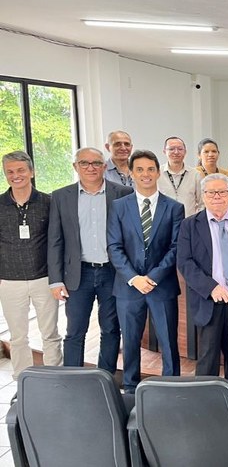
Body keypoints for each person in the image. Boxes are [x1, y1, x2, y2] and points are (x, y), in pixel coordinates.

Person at [47, 147, 133, 372]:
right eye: (84, 163)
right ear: (75, 167)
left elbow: (130, 237)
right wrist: (55, 280)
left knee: (111, 329)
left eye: (96, 163)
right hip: (78, 274)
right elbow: (55, 240)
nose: (91, 168)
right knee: (75, 331)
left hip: (112, 272)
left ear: (105, 167)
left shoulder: (122, 193)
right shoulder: (60, 196)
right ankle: (72, 380)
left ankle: (105, 379)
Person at [107, 150, 184, 393]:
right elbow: (114, 246)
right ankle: (130, 388)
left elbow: (175, 247)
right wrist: (134, 278)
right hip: (128, 287)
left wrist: (152, 277)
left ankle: (170, 387)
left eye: (150, 169)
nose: (146, 174)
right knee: (130, 341)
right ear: (131, 173)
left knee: (168, 341)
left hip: (162, 285)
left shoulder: (174, 208)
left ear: (158, 172)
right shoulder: (119, 206)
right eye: (139, 169)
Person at [177, 173, 228, 392]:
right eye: (211, 192)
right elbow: (185, 262)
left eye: (222, 192)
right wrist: (211, 288)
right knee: (207, 357)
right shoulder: (189, 225)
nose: (217, 197)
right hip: (209, 300)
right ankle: (205, 404)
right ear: (203, 196)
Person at [0, 151, 62, 378]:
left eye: (21, 170)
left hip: (44, 279)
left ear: (31, 172)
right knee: (18, 337)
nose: (16, 176)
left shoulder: (49, 202)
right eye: (10, 172)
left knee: (50, 333)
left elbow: (58, 241)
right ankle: (22, 380)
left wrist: (58, 276)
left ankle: (55, 377)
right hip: (9, 280)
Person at [157, 136, 203, 217]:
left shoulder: (195, 174)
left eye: (180, 149)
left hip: (188, 223)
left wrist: (196, 221)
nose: (176, 152)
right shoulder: (157, 174)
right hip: (164, 224)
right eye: (171, 149)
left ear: (185, 151)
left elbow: (202, 203)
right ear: (164, 151)